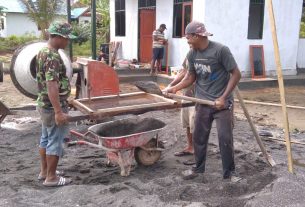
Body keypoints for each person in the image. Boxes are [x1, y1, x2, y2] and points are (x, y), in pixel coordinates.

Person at [163, 21, 241, 181]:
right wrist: (174, 88)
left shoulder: (220, 50)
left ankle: (229, 173)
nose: (187, 41)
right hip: (203, 102)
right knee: (199, 136)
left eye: (188, 38)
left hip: (222, 104)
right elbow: (191, 77)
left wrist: (223, 97)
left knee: (225, 138)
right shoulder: (192, 54)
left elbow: (236, 74)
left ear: (198, 36)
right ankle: (198, 169)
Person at [36, 22, 77, 187]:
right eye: (66, 38)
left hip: (44, 104)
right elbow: (51, 84)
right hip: (52, 107)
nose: (67, 42)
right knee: (56, 140)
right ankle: (51, 178)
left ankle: (44, 171)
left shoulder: (42, 51)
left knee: (45, 138)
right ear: (58, 37)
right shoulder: (52, 56)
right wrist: (59, 111)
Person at [165, 57, 194, 157]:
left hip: (199, 96)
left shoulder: (205, 56)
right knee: (188, 124)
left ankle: (199, 152)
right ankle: (190, 147)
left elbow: (189, 77)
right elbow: (184, 72)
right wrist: (171, 85)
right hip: (186, 94)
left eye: (190, 41)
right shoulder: (189, 54)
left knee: (196, 125)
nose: (189, 43)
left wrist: (175, 88)